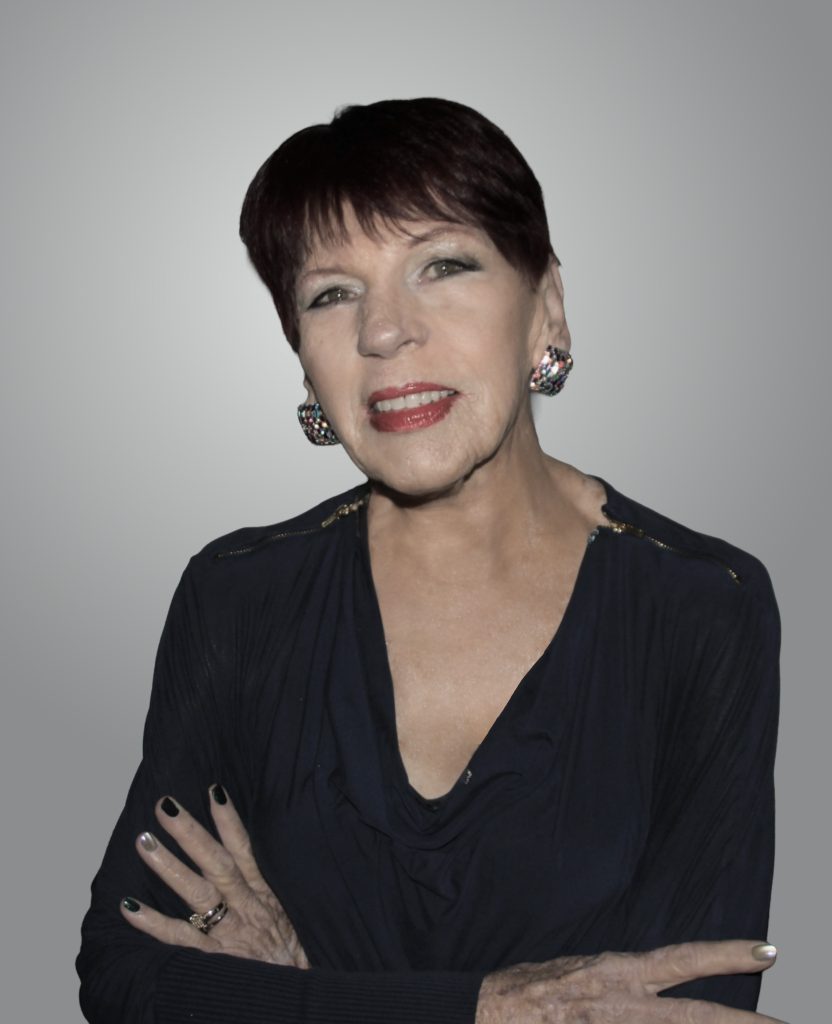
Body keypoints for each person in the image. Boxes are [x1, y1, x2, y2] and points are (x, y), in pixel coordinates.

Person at [77, 98, 783, 1024]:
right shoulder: (238, 597)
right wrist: (490, 1008)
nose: (383, 331)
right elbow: (125, 980)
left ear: (546, 307)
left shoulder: (703, 606)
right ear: (304, 361)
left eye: (442, 266)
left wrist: (295, 994)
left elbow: (690, 1012)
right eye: (331, 294)